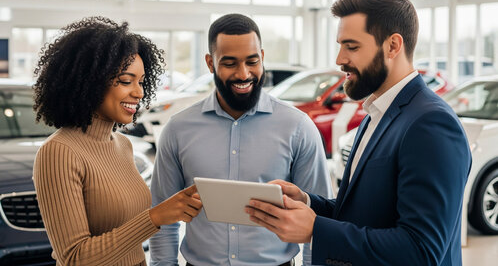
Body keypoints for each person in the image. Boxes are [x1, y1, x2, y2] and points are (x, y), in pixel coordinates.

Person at [246, 0, 472, 266]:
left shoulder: (431, 124)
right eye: (340, 45)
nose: (339, 59)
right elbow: (362, 213)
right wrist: (307, 203)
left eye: (351, 46)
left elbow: (421, 250)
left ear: (392, 46)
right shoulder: (375, 113)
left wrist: (316, 230)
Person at [149, 14, 332, 266]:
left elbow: (318, 220)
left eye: (252, 61)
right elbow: (163, 216)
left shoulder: (298, 126)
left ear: (263, 58)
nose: (243, 73)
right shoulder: (178, 129)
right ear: (210, 63)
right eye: (230, 63)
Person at [33, 17, 202, 266]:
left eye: (141, 81)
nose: (139, 92)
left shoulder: (123, 145)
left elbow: (130, 245)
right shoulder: (59, 152)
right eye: (126, 81)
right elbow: (74, 258)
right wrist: (154, 217)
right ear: (88, 82)